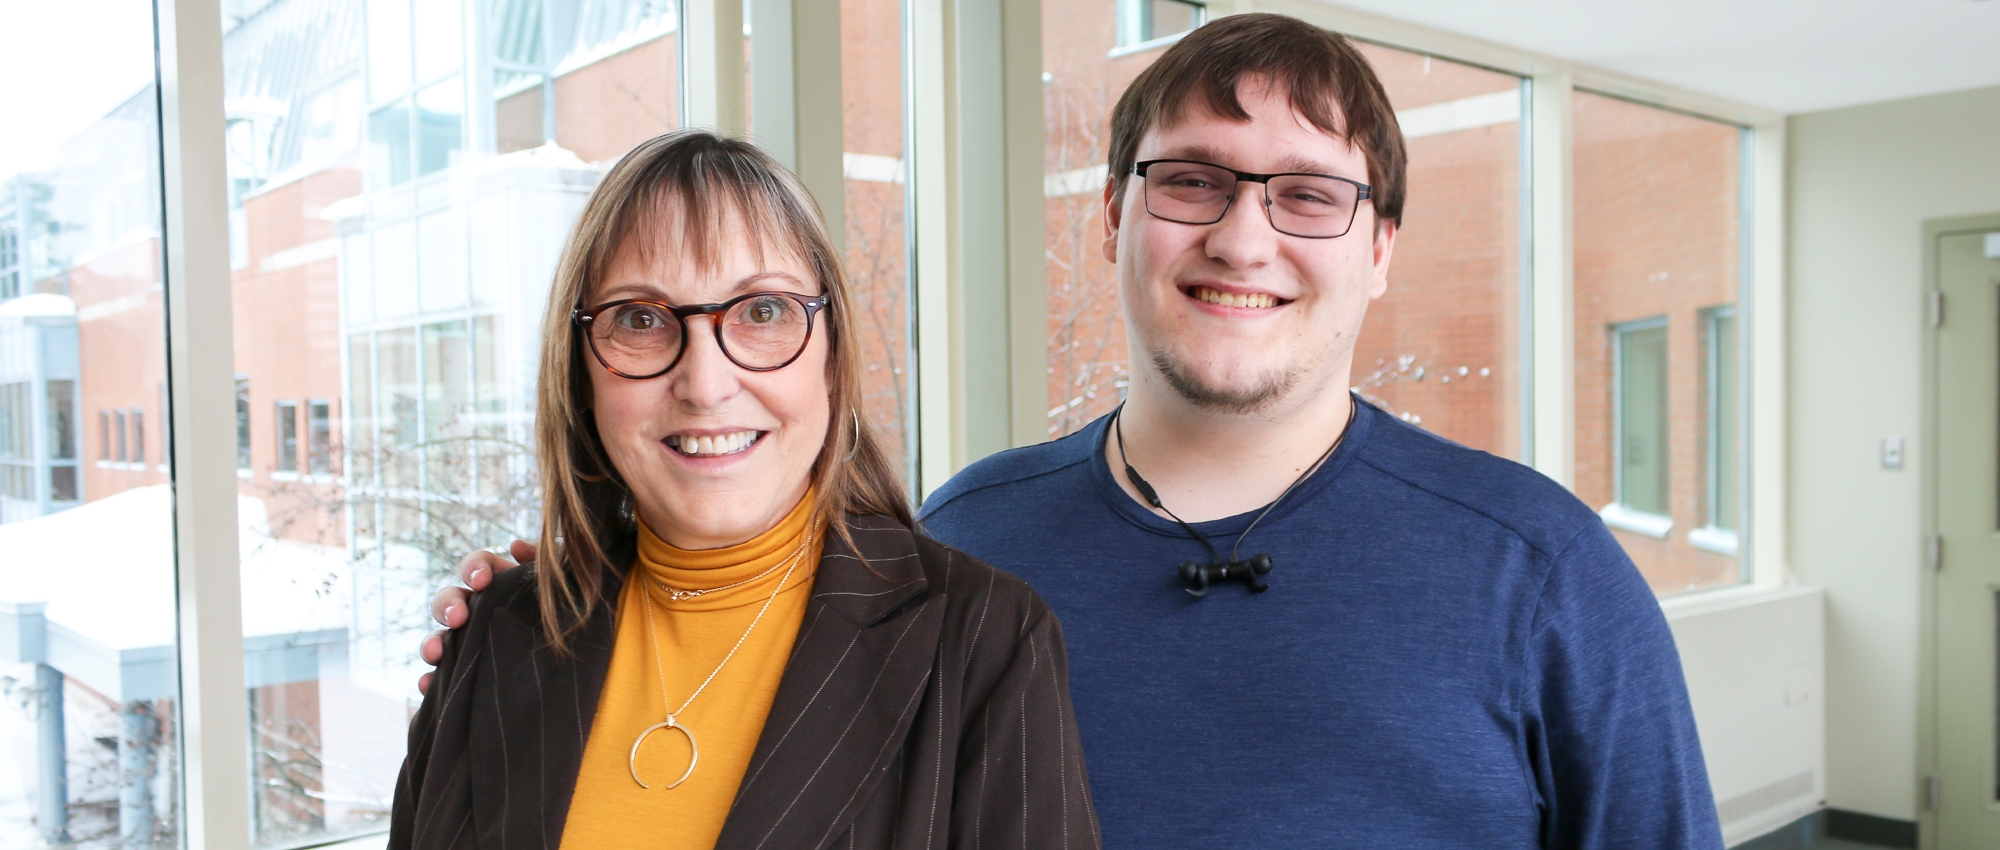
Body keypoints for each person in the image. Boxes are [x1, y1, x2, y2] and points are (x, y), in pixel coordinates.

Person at [428, 15, 1721, 849]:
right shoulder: (963, 540)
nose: (1243, 235)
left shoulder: (1541, 569)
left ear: (1381, 248)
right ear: (1110, 216)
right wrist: (542, 609)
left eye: (1309, 197)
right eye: (1193, 179)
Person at [391, 130, 1097, 850]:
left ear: (831, 358)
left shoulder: (986, 639)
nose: (704, 384)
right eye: (640, 319)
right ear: (582, 375)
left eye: (762, 312)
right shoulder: (493, 635)